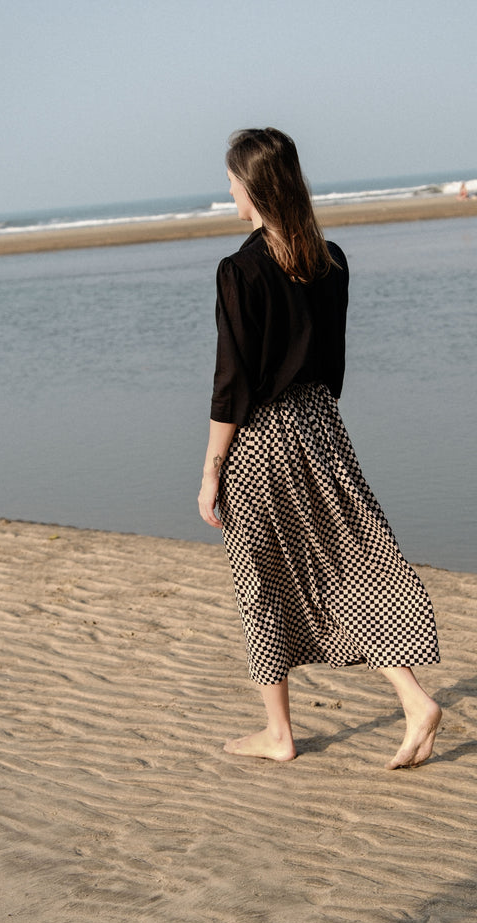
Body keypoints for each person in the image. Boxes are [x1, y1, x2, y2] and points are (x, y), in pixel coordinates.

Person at [198, 128, 441, 769]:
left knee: (262, 582)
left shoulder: (239, 271)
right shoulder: (329, 259)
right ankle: (413, 699)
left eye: (231, 179)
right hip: (322, 426)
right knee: (352, 564)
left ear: (253, 185)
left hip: (261, 438)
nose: (227, 190)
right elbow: (332, 364)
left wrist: (210, 468)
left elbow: (233, 380)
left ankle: (279, 734)